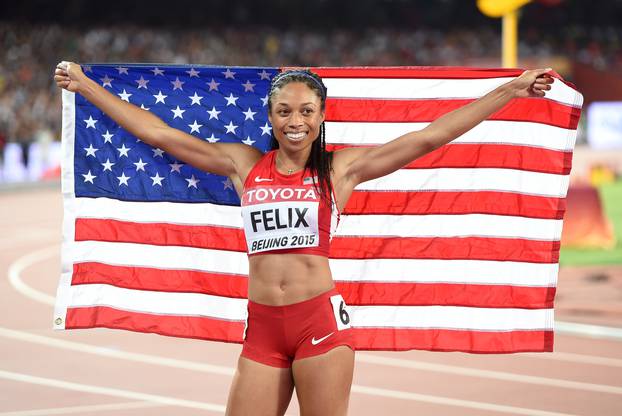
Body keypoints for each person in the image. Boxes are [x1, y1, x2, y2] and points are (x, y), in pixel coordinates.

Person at [54, 61, 553, 416]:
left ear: (321, 117)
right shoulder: (243, 164)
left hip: (319, 325)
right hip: (264, 328)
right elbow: (163, 136)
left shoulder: (340, 170)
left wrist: (508, 91)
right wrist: (85, 86)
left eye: (307, 112)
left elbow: (425, 138)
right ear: (270, 117)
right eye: (285, 112)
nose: (296, 122)